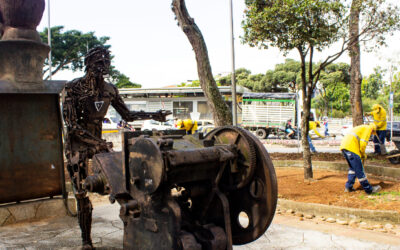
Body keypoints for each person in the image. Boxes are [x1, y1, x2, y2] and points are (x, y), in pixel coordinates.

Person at [62, 46, 170, 249]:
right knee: (82, 194)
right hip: (77, 147)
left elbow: (127, 115)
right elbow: (72, 126)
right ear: (88, 64)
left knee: (121, 186)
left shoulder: (109, 90)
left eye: (106, 62)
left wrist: (154, 115)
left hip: (100, 146)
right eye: (98, 63)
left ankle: (137, 232)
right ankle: (86, 241)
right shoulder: (72, 88)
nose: (103, 66)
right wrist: (97, 143)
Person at [340, 123, 382, 194]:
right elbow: (363, 144)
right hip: (352, 148)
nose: (371, 134)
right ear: (372, 130)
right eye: (373, 133)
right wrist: (363, 155)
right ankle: (369, 190)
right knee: (360, 171)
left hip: (344, 147)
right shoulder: (368, 129)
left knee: (353, 169)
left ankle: (348, 187)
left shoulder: (361, 127)